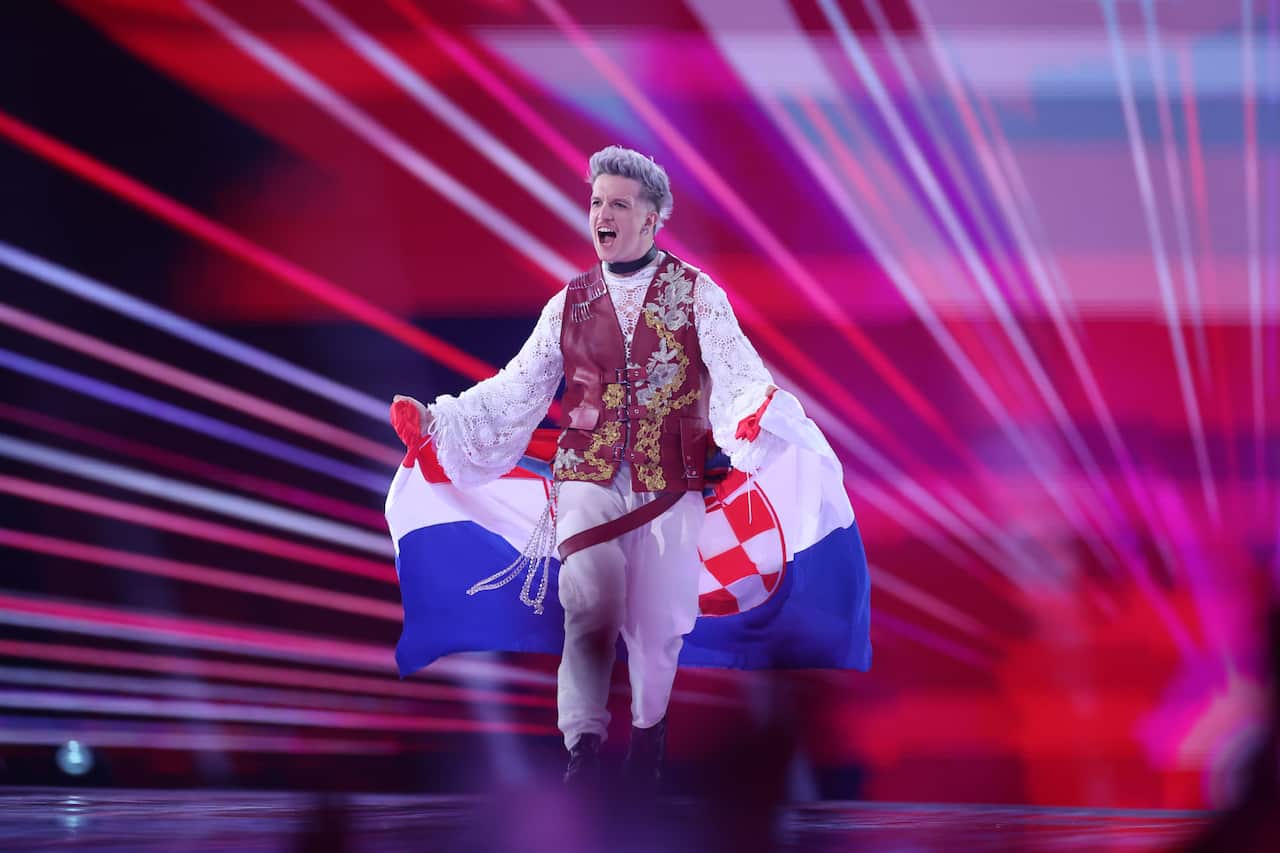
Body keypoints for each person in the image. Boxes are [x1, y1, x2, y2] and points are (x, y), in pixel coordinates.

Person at [390, 145, 869, 788]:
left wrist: (754, 413)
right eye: (596, 202)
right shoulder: (567, 305)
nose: (602, 214)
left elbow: (738, 374)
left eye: (619, 203)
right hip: (587, 474)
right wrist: (441, 422)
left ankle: (648, 740)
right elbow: (518, 389)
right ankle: (582, 748)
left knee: (660, 620)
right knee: (588, 598)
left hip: (671, 480)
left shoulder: (700, 297)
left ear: (652, 218)